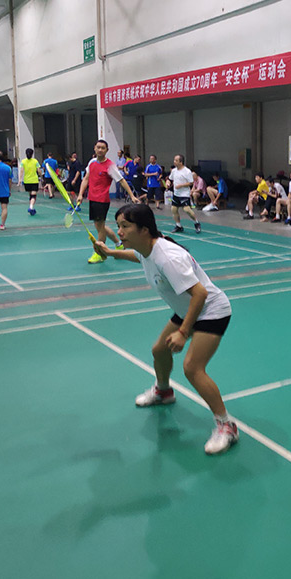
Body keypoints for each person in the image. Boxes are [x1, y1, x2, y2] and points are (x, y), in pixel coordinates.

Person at [93, 203, 238, 455]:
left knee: (192, 368)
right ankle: (164, 391)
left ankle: (227, 425)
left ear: (144, 229)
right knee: (159, 350)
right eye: (118, 226)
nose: (120, 232)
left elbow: (200, 294)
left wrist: (183, 332)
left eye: (125, 226)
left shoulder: (168, 257)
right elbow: (138, 256)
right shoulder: (147, 248)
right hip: (188, 308)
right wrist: (110, 252)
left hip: (210, 310)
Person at [77, 139, 140, 264]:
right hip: (92, 198)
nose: (100, 150)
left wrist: (132, 195)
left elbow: (121, 180)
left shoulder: (110, 166)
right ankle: (119, 244)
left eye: (103, 148)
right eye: (98, 147)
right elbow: (86, 179)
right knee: (100, 226)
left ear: (107, 150)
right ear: (94, 148)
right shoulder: (92, 163)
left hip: (102, 200)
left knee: (100, 228)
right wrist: (80, 194)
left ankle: (100, 253)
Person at [168, 154, 202, 234]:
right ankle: (178, 226)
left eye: (176, 160)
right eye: (174, 160)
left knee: (187, 209)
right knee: (174, 209)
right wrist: (168, 182)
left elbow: (191, 183)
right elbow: (169, 179)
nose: (174, 162)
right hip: (176, 194)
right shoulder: (174, 171)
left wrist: (181, 185)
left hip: (184, 194)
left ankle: (196, 223)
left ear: (181, 162)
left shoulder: (187, 171)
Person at [18, 148, 43, 216]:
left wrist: (20, 179)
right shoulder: (35, 161)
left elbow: (21, 171)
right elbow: (39, 170)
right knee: (33, 195)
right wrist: (41, 176)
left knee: (30, 195)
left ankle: (31, 207)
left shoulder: (23, 161)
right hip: (34, 180)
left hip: (27, 181)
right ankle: (31, 207)